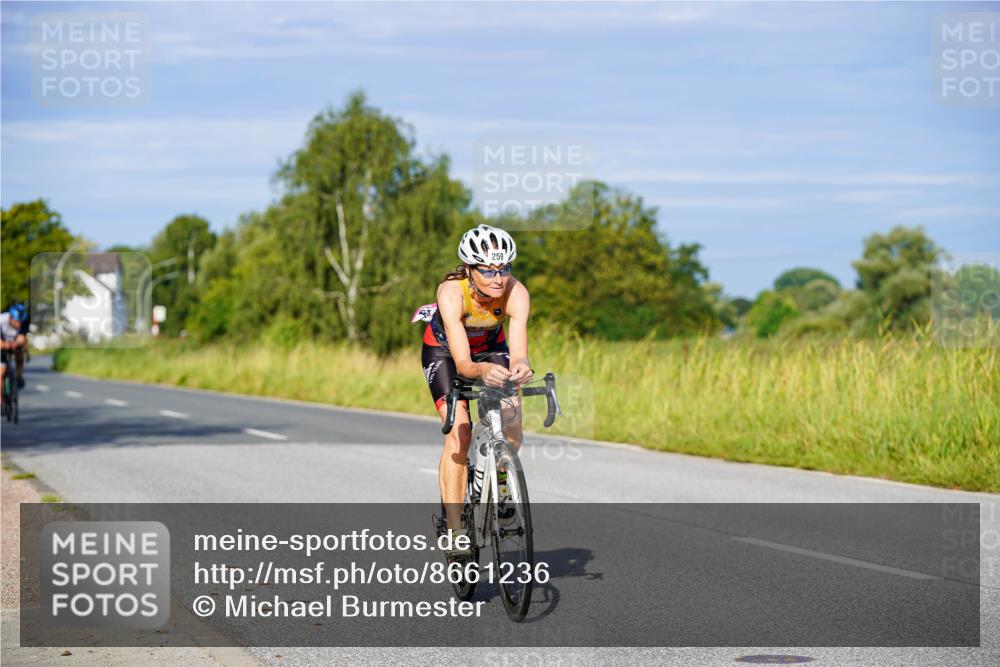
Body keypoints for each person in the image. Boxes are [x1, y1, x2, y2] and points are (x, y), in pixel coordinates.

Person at [415, 225, 532, 557]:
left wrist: (521, 366)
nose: (499, 278)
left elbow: (519, 350)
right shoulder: (452, 293)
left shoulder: (516, 293)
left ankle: (502, 481)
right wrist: (482, 372)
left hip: (491, 347)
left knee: (511, 412)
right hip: (447, 354)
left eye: (505, 268)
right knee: (460, 431)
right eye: (489, 270)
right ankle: (455, 529)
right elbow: (465, 365)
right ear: (469, 269)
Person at [1, 304, 27, 400]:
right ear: (10, 318)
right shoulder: (1, 320)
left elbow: (22, 338)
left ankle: (18, 374)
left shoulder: (24, 321)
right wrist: (4, 345)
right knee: (1, 372)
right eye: (16, 321)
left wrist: (16, 343)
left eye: (20, 321)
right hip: (2, 342)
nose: (18, 324)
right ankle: (1, 400)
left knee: (20, 352)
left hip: (13, 343)